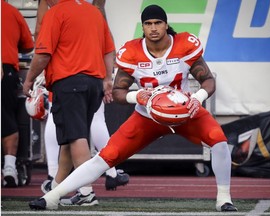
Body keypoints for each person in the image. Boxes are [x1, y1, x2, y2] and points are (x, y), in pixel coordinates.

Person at [28, 4, 238, 212]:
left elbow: (208, 80)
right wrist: (138, 95)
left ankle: (224, 199)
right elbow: (118, 92)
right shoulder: (132, 51)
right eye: (148, 23)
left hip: (184, 111)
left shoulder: (184, 44)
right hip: (147, 116)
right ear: (143, 27)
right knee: (104, 157)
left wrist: (198, 97)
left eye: (158, 23)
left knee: (218, 140)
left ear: (166, 25)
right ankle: (52, 197)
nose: (153, 28)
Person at [34, 0, 129, 205]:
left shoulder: (56, 13)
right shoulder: (94, 12)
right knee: (74, 135)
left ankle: (86, 192)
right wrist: (106, 79)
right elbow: (108, 48)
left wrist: (28, 79)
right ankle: (56, 188)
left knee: (75, 136)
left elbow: (42, 53)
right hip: (93, 81)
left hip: (69, 80)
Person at [1, 0, 34, 187]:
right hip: (6, 69)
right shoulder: (11, 11)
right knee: (7, 117)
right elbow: (28, 45)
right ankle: (9, 167)